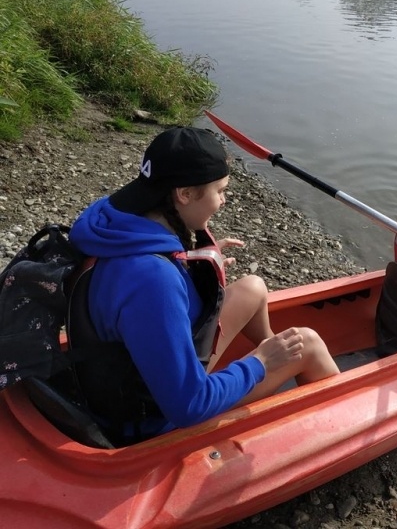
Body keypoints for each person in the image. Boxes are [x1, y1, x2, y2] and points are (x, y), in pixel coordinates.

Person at [68, 126, 339, 444]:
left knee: (252, 287)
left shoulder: (112, 226)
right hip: (152, 419)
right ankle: (337, 425)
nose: (223, 200)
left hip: (124, 375)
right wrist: (259, 364)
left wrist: (188, 258)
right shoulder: (153, 280)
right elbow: (189, 406)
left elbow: (133, 289)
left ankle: (277, 370)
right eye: (220, 190)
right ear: (183, 194)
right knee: (306, 344)